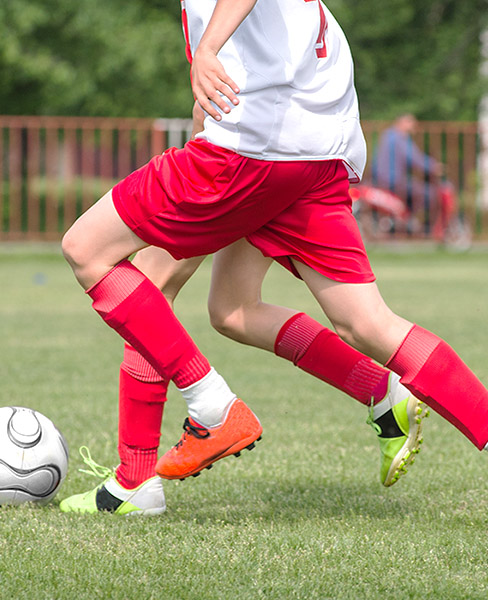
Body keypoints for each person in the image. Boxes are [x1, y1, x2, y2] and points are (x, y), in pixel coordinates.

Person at [60, 0, 488, 514]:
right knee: (287, 315)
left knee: (92, 253)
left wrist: (208, 52)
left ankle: (170, 449)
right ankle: (383, 393)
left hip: (251, 155)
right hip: (318, 156)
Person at [59, 105, 427, 516]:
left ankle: (135, 480)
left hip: (246, 160)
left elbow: (214, 96)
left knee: (149, 287)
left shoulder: (224, 37)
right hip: (279, 154)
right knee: (233, 310)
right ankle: (379, 390)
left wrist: (200, 159)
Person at [372, 113, 457, 241]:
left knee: (416, 188)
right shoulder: (398, 138)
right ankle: (410, 221)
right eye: (411, 124)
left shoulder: (388, 135)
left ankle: (405, 219)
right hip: (393, 180)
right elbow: (414, 157)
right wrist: (433, 166)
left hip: (383, 178)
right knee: (429, 194)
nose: (413, 128)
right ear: (401, 123)